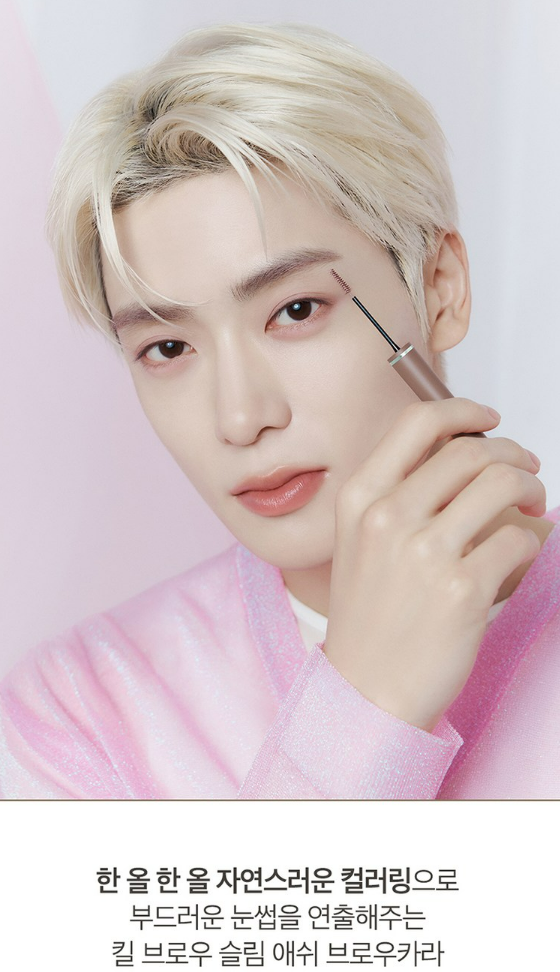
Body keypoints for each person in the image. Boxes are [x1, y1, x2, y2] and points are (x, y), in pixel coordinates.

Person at [1, 22, 558, 800]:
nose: (240, 418)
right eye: (167, 348)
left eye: (296, 310)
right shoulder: (79, 713)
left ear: (440, 290)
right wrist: (365, 704)